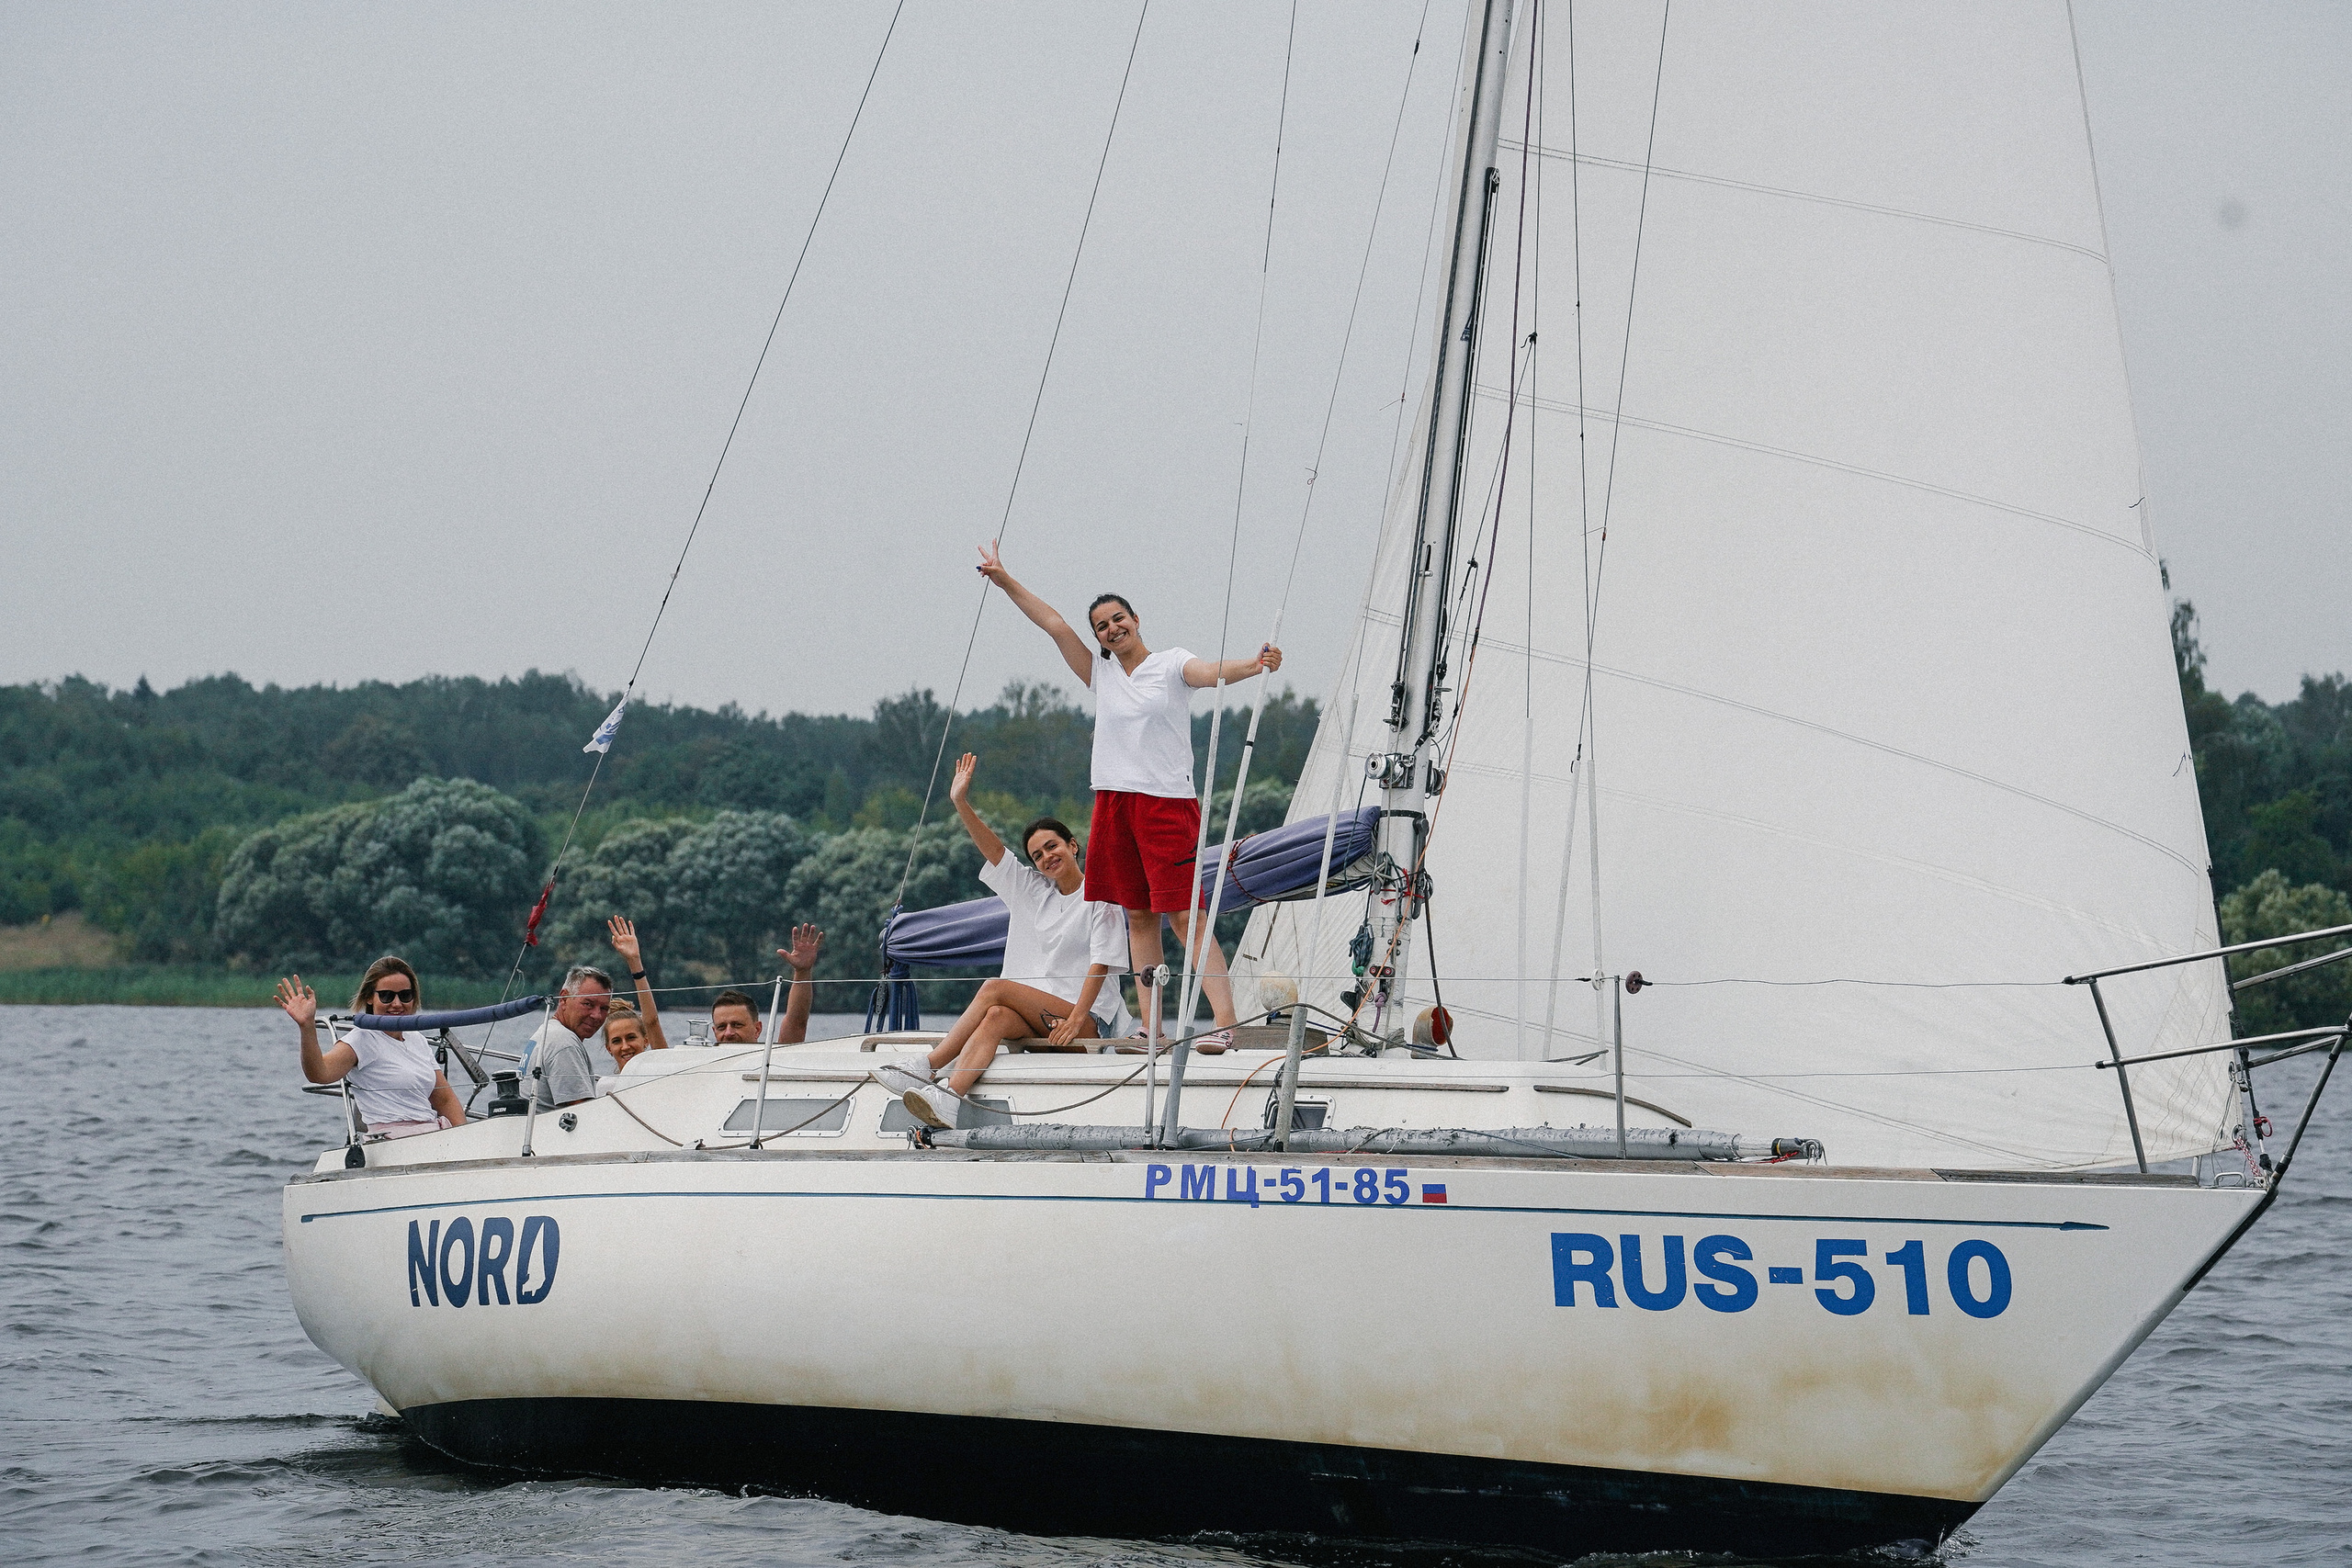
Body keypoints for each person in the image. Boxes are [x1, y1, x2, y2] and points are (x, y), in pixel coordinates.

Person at [977, 540, 1281, 1045]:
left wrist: (1254, 665)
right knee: (1138, 917)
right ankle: (1152, 1029)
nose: (1112, 628)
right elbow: (1053, 624)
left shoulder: (1171, 664)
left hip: (1165, 803)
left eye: (1119, 619)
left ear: (1136, 619)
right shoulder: (1101, 674)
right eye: (1102, 626)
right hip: (1113, 805)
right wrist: (1005, 579)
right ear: (1098, 636)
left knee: (1186, 916)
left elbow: (1211, 674)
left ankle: (1226, 1025)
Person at [885, 752, 1131, 1129]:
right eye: (1037, 855)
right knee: (997, 1015)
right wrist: (960, 802)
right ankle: (950, 1098)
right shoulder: (1036, 893)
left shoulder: (1101, 898)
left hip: (1086, 1024)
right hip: (1045, 1018)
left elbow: (1101, 964)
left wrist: (1077, 1018)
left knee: (994, 988)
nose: (1046, 857)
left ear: (1073, 846)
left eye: (1053, 846)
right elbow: (996, 852)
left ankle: (927, 1065)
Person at [278, 957, 466, 1139]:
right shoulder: (362, 1038)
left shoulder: (417, 1040)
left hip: (433, 1135)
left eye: (405, 995)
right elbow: (319, 1073)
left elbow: (444, 1100)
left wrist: (466, 1139)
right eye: (386, 996)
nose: (397, 1004)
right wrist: (307, 1026)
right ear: (369, 997)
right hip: (391, 1142)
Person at [708, 924, 828, 1043]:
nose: (728, 1033)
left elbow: (797, 1023)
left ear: (757, 1029)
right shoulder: (701, 1059)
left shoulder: (771, 1058)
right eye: (721, 1027)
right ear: (714, 1031)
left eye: (737, 1025)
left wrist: (802, 972)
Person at [523, 963, 616, 1110]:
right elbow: (582, 1114)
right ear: (564, 998)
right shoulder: (564, 1043)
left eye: (604, 1008)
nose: (597, 1016)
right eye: (588, 1004)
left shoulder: (546, 1031)